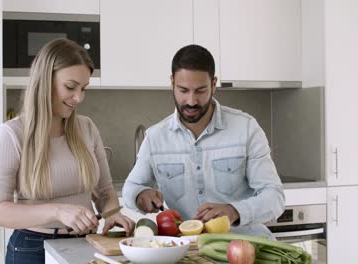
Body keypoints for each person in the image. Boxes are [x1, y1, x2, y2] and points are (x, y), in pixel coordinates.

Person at [0, 39, 134, 264]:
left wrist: (113, 215)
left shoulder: (87, 128)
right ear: (45, 81)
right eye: (70, 87)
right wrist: (57, 212)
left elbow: (105, 191)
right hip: (32, 249)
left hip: (87, 243)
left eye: (83, 89)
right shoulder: (11, 134)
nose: (79, 97)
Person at [122, 44, 285, 239]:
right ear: (172, 82)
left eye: (200, 90)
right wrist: (140, 195)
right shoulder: (156, 137)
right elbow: (130, 187)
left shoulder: (247, 129)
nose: (191, 101)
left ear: (214, 84)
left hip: (247, 244)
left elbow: (274, 197)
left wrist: (234, 211)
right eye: (183, 90)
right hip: (187, 253)